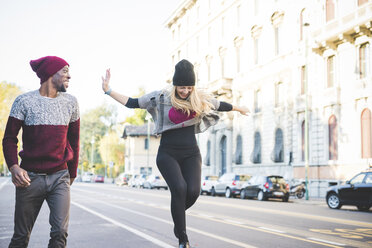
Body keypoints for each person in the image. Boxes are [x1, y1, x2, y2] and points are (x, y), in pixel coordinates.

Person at [101, 59, 249, 248]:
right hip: (167, 153)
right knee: (179, 188)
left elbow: (220, 104)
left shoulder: (199, 99)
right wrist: (108, 90)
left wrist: (239, 108)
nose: (185, 91)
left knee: (193, 192)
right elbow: (132, 103)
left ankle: (177, 216)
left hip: (191, 153)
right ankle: (182, 239)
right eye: (181, 87)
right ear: (175, 84)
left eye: (188, 87)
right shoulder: (160, 98)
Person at [2, 56, 80, 248]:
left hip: (59, 177)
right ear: (50, 73)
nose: (69, 75)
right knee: (21, 237)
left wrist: (72, 173)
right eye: (64, 71)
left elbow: (74, 141)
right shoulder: (24, 101)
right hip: (30, 178)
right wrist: (13, 167)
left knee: (60, 233)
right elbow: (10, 139)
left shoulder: (71, 102)